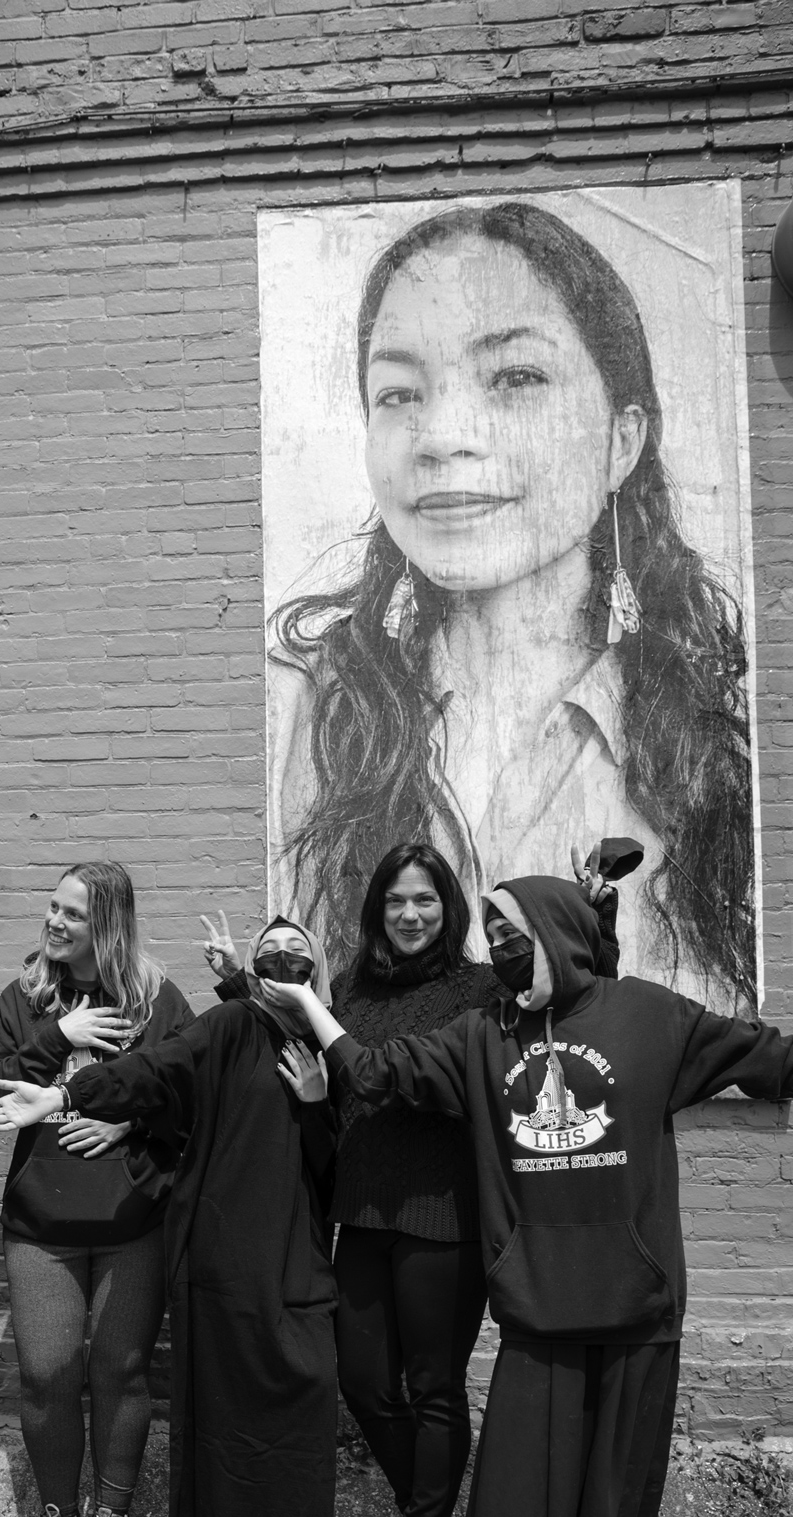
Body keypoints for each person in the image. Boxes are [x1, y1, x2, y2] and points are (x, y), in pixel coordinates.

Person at [267, 874, 793, 1517]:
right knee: (521, 1496)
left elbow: (771, 1061)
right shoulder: (482, 1035)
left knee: (616, 1486)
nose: (504, 949)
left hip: (636, 1303)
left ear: (557, 930)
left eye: (516, 932)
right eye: (496, 936)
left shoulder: (651, 1017)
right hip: (537, 1307)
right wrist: (305, 1003)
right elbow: (371, 1072)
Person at [269, 200, 754, 1012]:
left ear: (622, 441)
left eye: (517, 377)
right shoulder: (301, 708)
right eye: (398, 393)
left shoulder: (707, 734)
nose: (441, 434)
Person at [0, 915, 340, 1517]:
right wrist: (66, 1098)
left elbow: (340, 1163)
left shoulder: (332, 1047)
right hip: (218, 1250)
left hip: (295, 1253)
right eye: (273, 951)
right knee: (222, 1401)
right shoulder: (232, 1024)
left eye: (300, 954)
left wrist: (315, 1103)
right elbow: (158, 1072)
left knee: (300, 1395)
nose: (284, 961)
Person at [0, 862, 194, 1517]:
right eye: (52, 907)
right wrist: (56, 1034)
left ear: (109, 924)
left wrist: (130, 1125)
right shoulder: (26, 997)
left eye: (72, 913)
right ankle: (59, 1513)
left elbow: (195, 1102)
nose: (55, 922)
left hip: (133, 1220)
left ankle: (114, 1516)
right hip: (43, 1222)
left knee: (120, 1368)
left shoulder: (158, 1002)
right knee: (46, 1372)